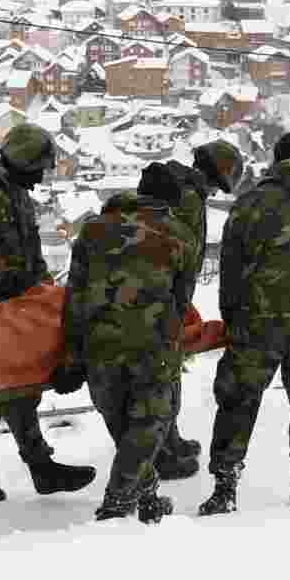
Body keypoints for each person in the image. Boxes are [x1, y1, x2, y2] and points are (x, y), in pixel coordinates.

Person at [0, 122, 96, 505]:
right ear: (22, 162)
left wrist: (43, 292)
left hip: (13, 312)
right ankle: (40, 468)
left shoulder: (16, 195)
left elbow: (29, 257)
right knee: (9, 391)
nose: (42, 176)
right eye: (39, 167)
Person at [199, 131, 290, 516]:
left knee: (238, 402)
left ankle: (224, 488)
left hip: (256, 325)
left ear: (277, 162)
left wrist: (233, 319)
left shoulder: (250, 204)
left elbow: (229, 270)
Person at [58, 163, 200, 524]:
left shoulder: (93, 229)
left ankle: (147, 494)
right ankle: (116, 506)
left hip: (98, 344)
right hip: (151, 346)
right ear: (169, 201)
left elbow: (73, 296)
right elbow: (182, 299)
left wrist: (72, 355)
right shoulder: (179, 233)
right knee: (148, 424)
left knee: (121, 421)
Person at [155, 140, 244, 480]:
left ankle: (169, 438)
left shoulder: (181, 189)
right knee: (161, 373)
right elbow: (180, 254)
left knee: (169, 369)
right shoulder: (188, 198)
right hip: (164, 299)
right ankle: (160, 449)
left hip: (165, 296)